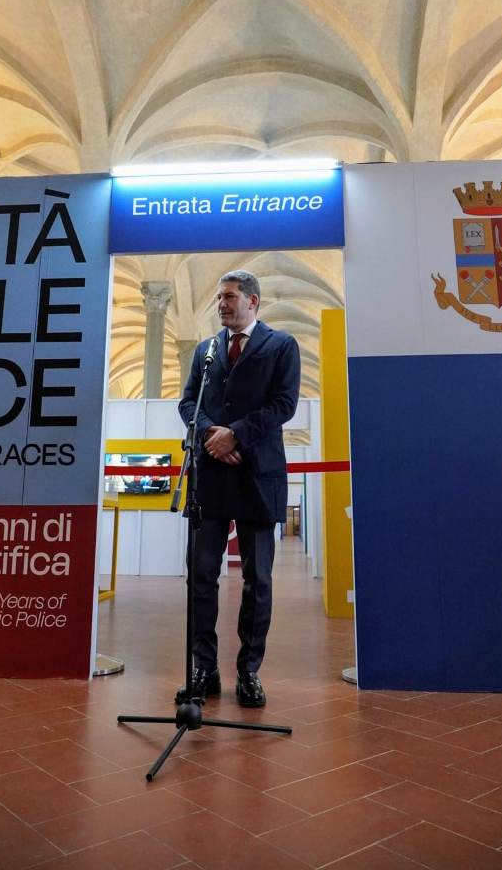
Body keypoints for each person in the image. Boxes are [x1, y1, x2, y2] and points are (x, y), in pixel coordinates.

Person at [176, 269, 300, 707]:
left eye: (229, 297)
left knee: (257, 579)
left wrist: (237, 436)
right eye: (219, 297)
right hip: (210, 476)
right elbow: (188, 402)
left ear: (252, 301)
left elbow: (283, 404)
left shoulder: (281, 345)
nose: (221, 304)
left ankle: (248, 672)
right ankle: (204, 668)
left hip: (257, 476)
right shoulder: (206, 350)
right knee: (201, 576)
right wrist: (213, 434)